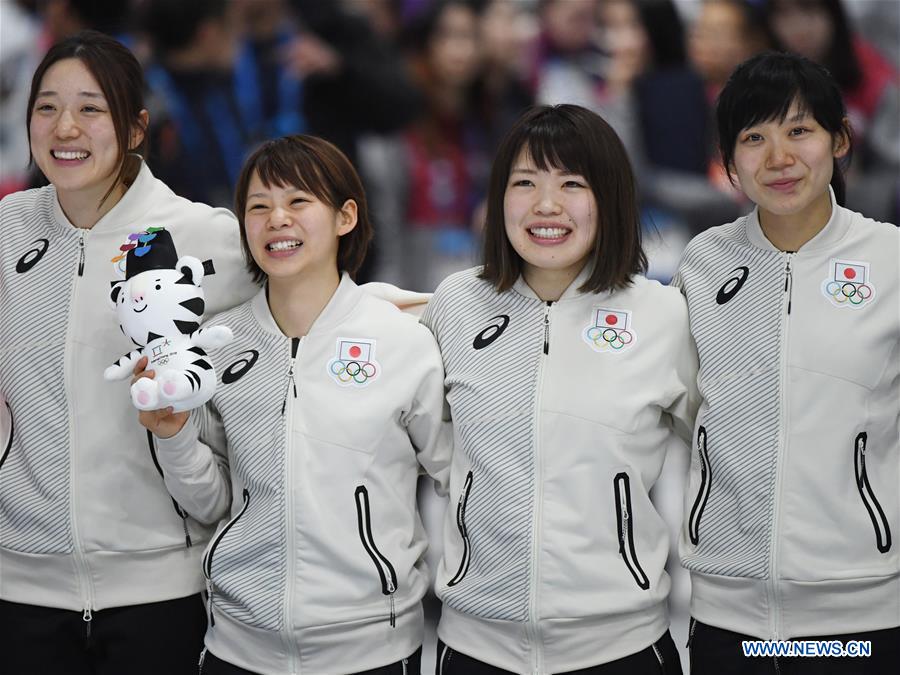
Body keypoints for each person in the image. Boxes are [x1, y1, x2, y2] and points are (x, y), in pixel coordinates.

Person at [135, 134, 451, 674]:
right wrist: (174, 436)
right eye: (258, 207)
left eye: (298, 201)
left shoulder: (402, 342)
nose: (277, 219)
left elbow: (458, 479)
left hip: (371, 649)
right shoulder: (217, 345)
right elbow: (211, 505)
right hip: (238, 647)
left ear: (345, 216)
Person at [0, 31, 256, 674]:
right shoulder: (7, 232)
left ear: (136, 127)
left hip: (162, 589)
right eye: (46, 106)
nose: (65, 127)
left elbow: (312, 300)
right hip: (20, 587)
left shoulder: (204, 236)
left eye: (90, 108)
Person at [421, 104, 699, 674]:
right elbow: (421, 435)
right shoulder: (455, 303)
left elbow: (728, 445)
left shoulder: (663, 315)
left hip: (621, 646)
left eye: (572, 184)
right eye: (525, 183)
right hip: (475, 645)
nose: (546, 205)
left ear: (610, 197)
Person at [673, 52, 899, 674]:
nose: (778, 158)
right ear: (728, 160)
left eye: (799, 130)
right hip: (728, 615)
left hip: (859, 619)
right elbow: (685, 408)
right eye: (754, 138)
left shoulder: (889, 260)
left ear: (840, 140)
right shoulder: (704, 263)